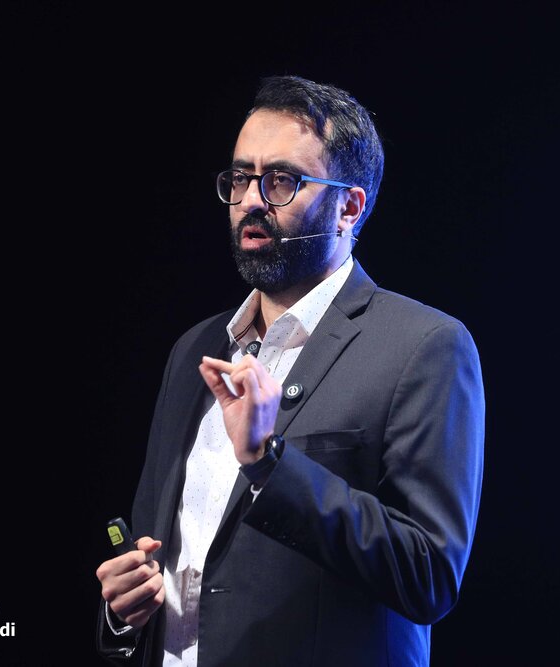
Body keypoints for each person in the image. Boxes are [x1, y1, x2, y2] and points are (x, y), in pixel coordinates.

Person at [95, 75, 485, 667]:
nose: (251, 200)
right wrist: (122, 615)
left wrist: (269, 463)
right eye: (240, 178)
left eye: (281, 180)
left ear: (349, 207)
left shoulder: (423, 347)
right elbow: (163, 556)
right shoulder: (194, 349)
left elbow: (428, 575)